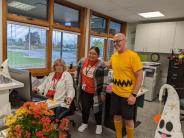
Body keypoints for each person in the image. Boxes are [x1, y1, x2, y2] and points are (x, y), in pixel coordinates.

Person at [109, 33, 143, 138]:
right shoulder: (114, 56)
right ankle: (119, 136)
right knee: (116, 117)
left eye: (118, 41)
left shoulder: (133, 56)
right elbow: (110, 65)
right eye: (114, 41)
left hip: (127, 95)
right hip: (115, 92)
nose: (115, 43)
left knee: (128, 120)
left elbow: (140, 77)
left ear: (124, 41)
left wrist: (133, 94)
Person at [76, 46, 108, 135]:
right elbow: (77, 73)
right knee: (85, 108)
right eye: (90, 53)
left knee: (97, 109)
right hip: (84, 90)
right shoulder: (82, 61)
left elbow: (105, 80)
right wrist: (76, 85)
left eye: (94, 54)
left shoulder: (102, 65)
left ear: (98, 55)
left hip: (96, 92)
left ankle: (98, 125)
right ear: (88, 53)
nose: (91, 55)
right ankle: (84, 123)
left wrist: (103, 92)